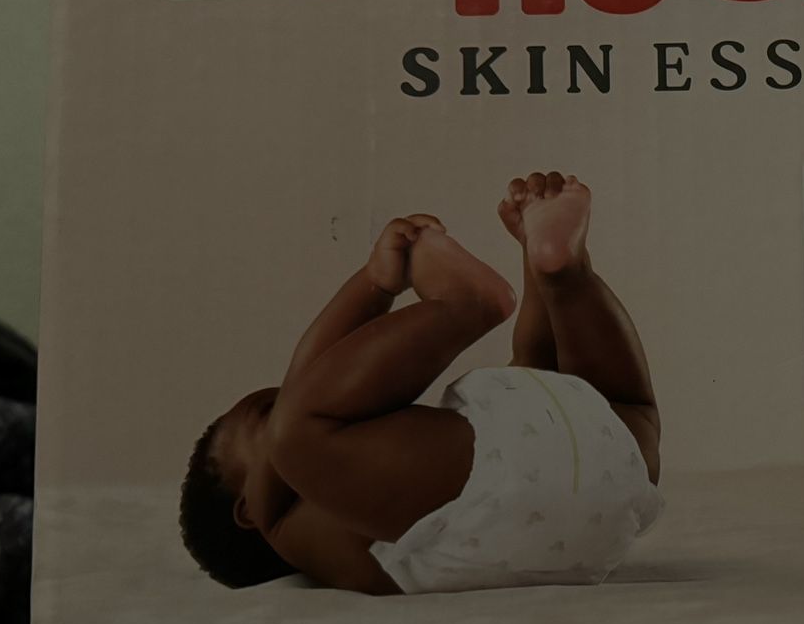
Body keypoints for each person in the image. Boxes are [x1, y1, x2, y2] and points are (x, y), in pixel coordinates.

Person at [179, 172, 661, 594]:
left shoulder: (365, 533)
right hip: (612, 475)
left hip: (594, 524)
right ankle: (506, 293)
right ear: (246, 511)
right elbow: (305, 387)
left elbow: (530, 410)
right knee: (295, 431)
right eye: (265, 412)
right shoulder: (279, 519)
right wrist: (375, 284)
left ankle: (552, 274)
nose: (307, 388)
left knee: (539, 381)